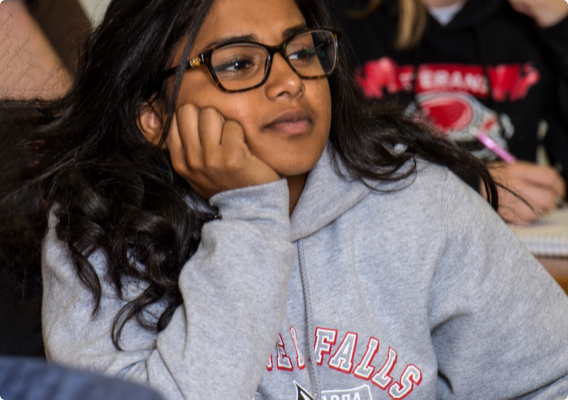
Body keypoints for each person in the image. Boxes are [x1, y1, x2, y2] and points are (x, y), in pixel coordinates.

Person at [1, 0, 568, 398]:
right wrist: (251, 215)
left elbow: (549, 378)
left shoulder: (421, 202)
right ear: (153, 114)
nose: (290, 81)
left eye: (302, 52)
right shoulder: (99, 229)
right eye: (240, 64)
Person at [329, 0, 568, 225]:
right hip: (391, 244)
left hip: (510, 247)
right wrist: (473, 187)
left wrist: (561, 26)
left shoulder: (526, 17)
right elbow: (326, 172)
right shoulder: (343, 15)